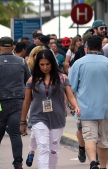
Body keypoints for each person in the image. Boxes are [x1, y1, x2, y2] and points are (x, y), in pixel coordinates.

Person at [70, 35, 108, 169]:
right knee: (103, 139)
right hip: (104, 108)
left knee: (89, 137)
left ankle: (92, 162)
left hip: (85, 109)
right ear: (101, 47)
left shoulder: (78, 64)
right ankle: (102, 166)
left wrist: (71, 104)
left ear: (87, 48)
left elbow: (71, 88)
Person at [18, 50, 79, 169]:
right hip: (38, 117)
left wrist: (76, 106)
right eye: (42, 64)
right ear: (38, 65)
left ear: (52, 63)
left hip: (57, 118)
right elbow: (27, 101)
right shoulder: (32, 80)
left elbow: (70, 96)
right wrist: (22, 121)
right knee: (43, 147)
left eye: (47, 64)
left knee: (53, 150)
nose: (45, 67)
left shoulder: (62, 78)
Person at [0, 36, 30, 169]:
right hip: (18, 102)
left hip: (0, 103)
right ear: (13, 47)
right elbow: (28, 81)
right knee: (15, 134)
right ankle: (18, 164)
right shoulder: (22, 62)